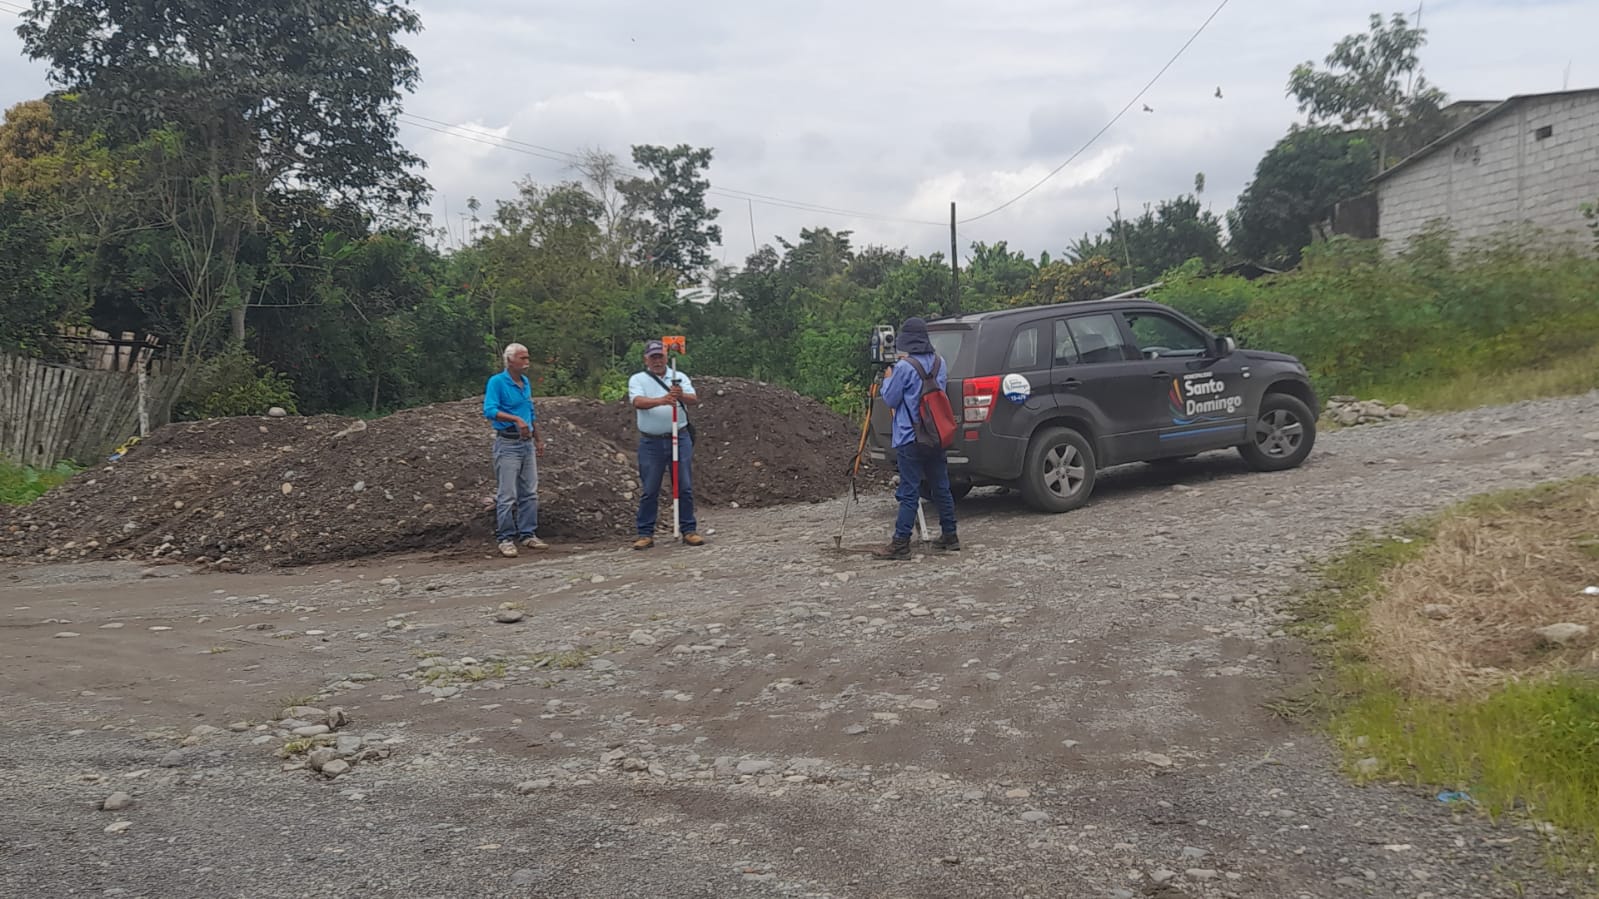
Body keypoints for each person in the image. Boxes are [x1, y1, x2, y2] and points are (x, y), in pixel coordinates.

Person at [875, 316, 959, 559]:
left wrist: (887, 377)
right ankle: (950, 535)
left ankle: (901, 543)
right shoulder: (939, 363)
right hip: (936, 435)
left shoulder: (903, 368)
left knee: (909, 490)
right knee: (941, 486)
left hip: (909, 437)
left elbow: (890, 399)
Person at [628, 340, 704, 549]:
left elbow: (693, 399)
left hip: (679, 437)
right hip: (651, 442)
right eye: (653, 357)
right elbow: (637, 402)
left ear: (666, 357)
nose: (657, 361)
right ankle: (645, 533)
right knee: (650, 488)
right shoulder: (638, 379)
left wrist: (680, 395)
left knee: (684, 485)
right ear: (646, 359)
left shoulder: (679, 377)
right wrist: (662, 400)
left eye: (660, 356)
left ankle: (689, 530)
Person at [482, 342, 546, 557]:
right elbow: (490, 410)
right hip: (508, 443)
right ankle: (506, 538)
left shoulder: (525, 383)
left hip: (526, 444)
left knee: (529, 492)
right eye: (523, 358)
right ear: (510, 360)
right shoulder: (497, 382)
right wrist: (515, 419)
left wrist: (538, 439)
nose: (527, 362)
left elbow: (530, 411)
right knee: (507, 493)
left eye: (527, 358)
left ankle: (528, 534)